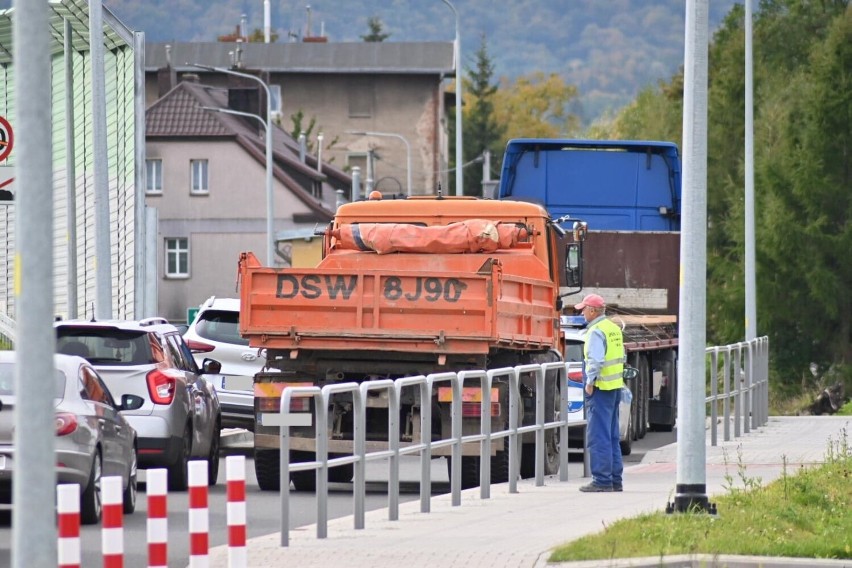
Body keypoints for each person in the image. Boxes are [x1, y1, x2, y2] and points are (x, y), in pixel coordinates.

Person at [575, 293, 625, 492]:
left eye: (584, 309)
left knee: (598, 435)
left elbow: (595, 360)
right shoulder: (613, 328)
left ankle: (602, 480)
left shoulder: (595, 331)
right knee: (612, 435)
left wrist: (590, 382)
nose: (582, 312)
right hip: (614, 387)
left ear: (593, 311)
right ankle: (615, 479)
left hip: (601, 388)